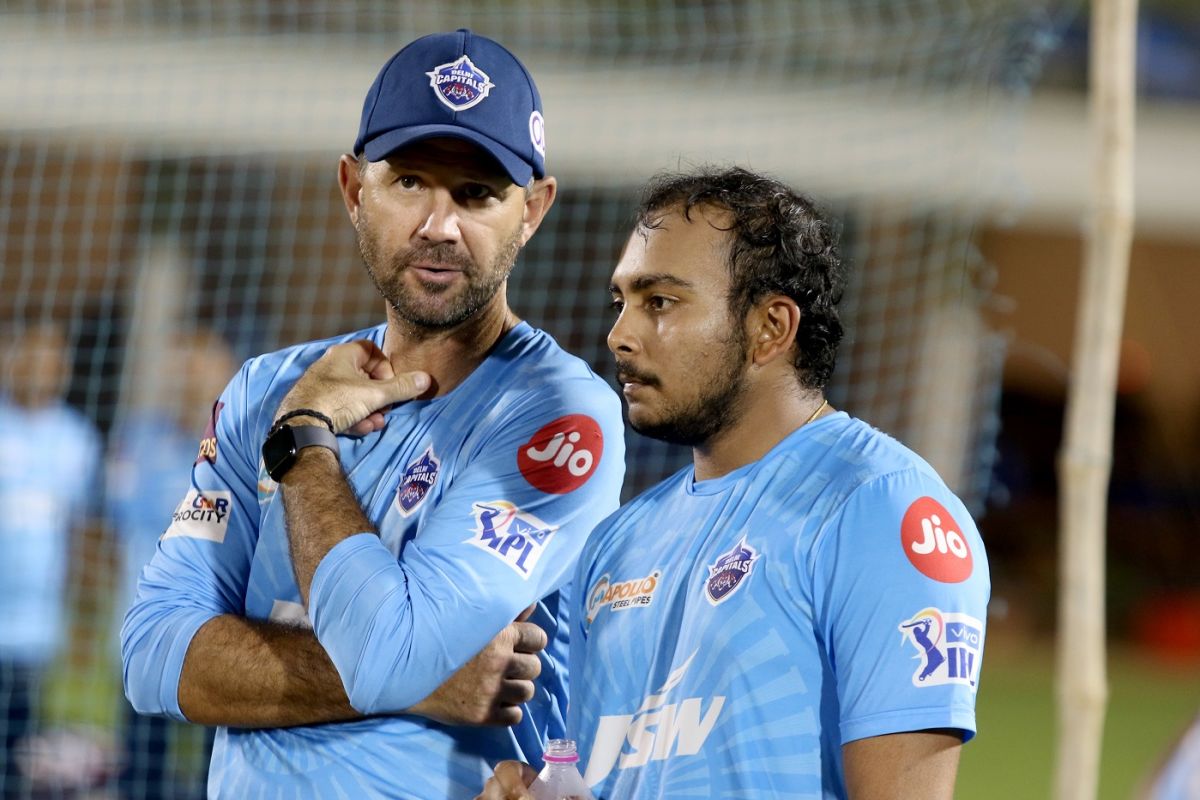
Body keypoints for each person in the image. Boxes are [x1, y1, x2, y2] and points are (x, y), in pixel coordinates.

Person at [120, 29, 625, 798]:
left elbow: (388, 651)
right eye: (411, 181)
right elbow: (151, 653)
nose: (439, 224)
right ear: (356, 191)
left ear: (535, 210)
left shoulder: (562, 418)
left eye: (477, 194)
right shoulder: (267, 385)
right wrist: (422, 684)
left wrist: (304, 445)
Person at [479, 167, 989, 799]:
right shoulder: (612, 545)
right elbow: (591, 779)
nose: (620, 336)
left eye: (659, 302)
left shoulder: (882, 510)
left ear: (770, 328)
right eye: (622, 303)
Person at [106, 329, 235, 799]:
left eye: (199, 371)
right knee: (142, 770)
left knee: (211, 771)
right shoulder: (136, 440)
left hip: (216, 635)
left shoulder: (238, 449)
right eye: (180, 370)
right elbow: (120, 521)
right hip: (143, 631)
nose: (187, 382)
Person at [0, 323, 102, 800]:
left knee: (20, 746)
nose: (42, 371)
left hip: (36, 628)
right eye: (31, 358)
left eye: (52, 362)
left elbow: (82, 533)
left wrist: (81, 614)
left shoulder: (78, 441)